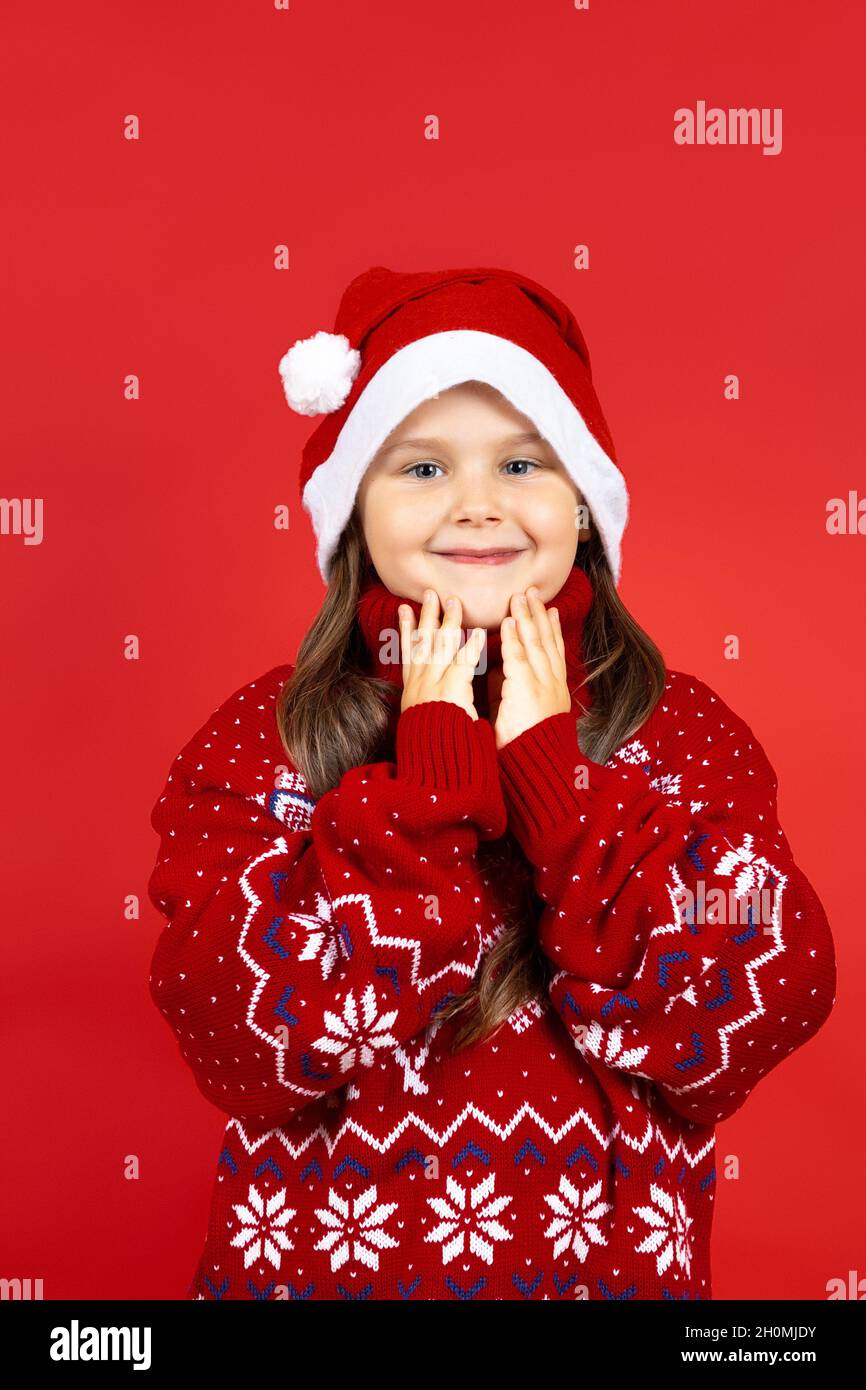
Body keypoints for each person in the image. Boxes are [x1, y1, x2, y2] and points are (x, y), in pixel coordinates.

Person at [146, 265, 836, 1301]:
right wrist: (421, 798)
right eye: (420, 469)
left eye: (522, 462)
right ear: (352, 513)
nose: (476, 503)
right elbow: (232, 1037)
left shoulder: (677, 732)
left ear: (583, 504)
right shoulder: (268, 738)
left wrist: (559, 793)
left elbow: (765, 996)